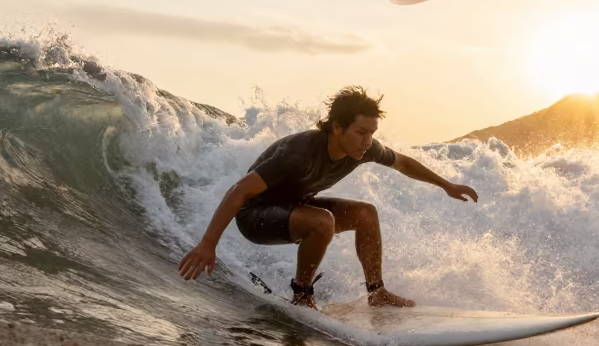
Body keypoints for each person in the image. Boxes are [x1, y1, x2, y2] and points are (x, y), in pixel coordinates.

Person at [178, 86, 479, 309]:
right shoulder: (300, 153)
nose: (368, 140)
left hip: (294, 206)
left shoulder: (363, 149)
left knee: (366, 214)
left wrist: (446, 185)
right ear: (337, 127)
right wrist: (208, 244)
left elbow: (404, 163)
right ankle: (302, 295)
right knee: (323, 222)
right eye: (361, 132)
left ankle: (377, 293)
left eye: (372, 132)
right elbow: (239, 191)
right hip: (255, 216)